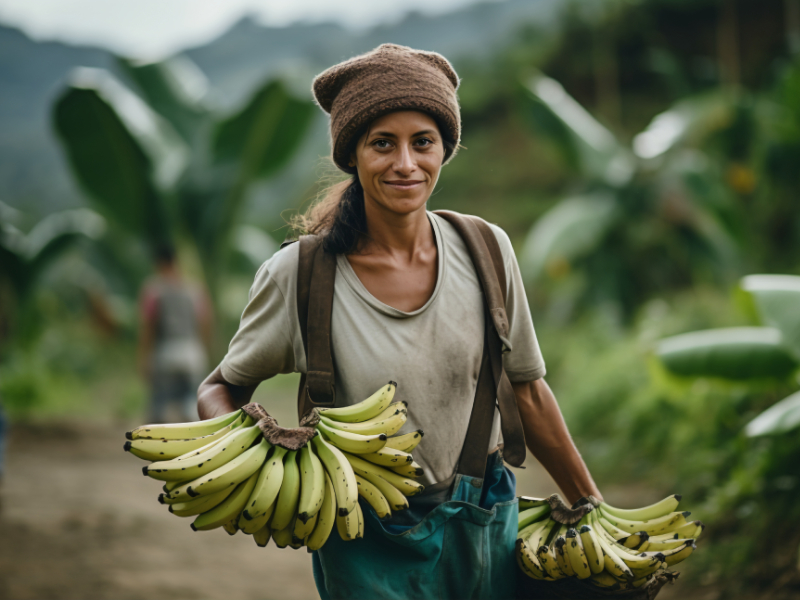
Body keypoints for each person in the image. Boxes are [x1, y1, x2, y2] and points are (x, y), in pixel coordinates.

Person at [198, 43, 602, 599]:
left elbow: (528, 391)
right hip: (361, 533)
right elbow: (221, 388)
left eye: (423, 143)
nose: (406, 164)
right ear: (353, 156)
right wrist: (261, 450)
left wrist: (590, 505)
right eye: (382, 143)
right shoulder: (300, 274)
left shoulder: (486, 250)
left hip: (482, 517)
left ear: (444, 151)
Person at [138, 243, 212, 423]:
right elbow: (206, 322)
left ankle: (153, 445)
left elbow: (148, 327)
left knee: (159, 406)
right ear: (176, 261)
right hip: (191, 352)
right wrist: (204, 351)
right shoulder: (194, 289)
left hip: (165, 353)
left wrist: (143, 356)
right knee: (191, 405)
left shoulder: (154, 290)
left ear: (159, 264)